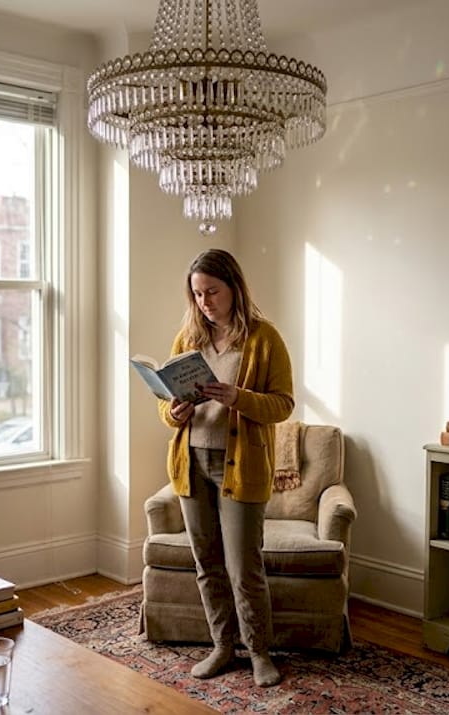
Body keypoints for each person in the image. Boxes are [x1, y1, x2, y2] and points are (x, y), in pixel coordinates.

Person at [158, 248, 294, 687]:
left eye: (212, 292)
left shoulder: (264, 338)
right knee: (207, 563)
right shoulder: (188, 339)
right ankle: (222, 647)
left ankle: (259, 652)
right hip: (191, 463)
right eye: (197, 294)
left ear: (234, 287)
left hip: (241, 468)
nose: (205, 302)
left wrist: (239, 398)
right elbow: (167, 404)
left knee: (244, 566)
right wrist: (173, 413)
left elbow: (283, 405)